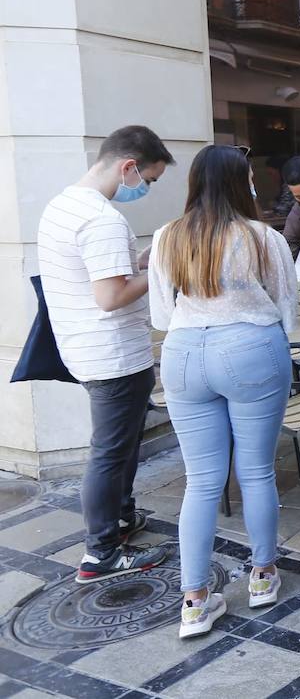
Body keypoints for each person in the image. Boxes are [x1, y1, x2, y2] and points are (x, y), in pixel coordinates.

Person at [148, 145, 296, 638]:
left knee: (201, 481)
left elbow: (161, 315)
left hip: (184, 352)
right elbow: (285, 304)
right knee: (255, 471)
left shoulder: (169, 236)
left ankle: (194, 601)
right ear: (242, 182)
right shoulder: (261, 236)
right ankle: (262, 576)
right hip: (250, 345)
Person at [36, 125, 175, 583]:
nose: (146, 189)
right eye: (149, 180)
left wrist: (140, 258)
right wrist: (160, 267)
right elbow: (111, 295)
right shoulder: (101, 218)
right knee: (111, 451)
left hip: (85, 347)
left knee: (119, 445)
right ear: (129, 166)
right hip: (111, 353)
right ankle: (101, 552)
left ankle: (120, 517)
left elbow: (100, 275)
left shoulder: (63, 205)